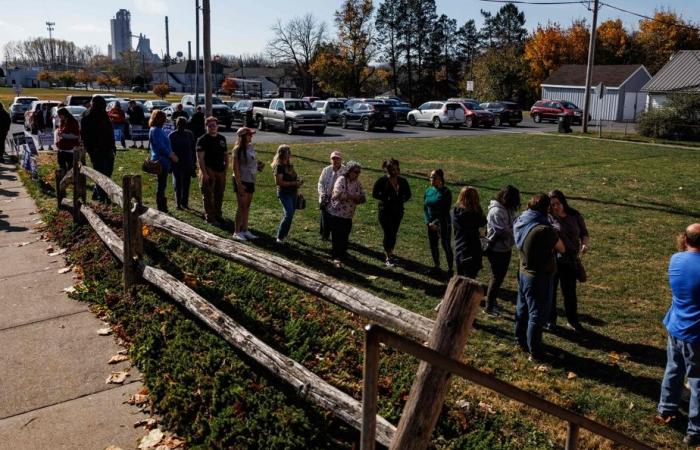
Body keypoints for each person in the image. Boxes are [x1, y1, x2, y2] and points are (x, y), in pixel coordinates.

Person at [657, 223, 700, 446]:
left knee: (673, 368)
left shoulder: (676, 259)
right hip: (695, 334)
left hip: (675, 326)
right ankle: (695, 429)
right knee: (698, 381)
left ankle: (666, 408)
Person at [513, 193, 565, 362]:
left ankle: (519, 339)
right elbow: (561, 248)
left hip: (523, 271)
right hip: (539, 277)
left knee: (522, 309)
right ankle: (535, 351)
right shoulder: (544, 229)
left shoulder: (522, 219)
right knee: (537, 315)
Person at [545, 190, 589, 331]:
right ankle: (550, 320)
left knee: (569, 292)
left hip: (570, 260)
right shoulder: (548, 218)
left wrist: (584, 244)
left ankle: (573, 320)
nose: (556, 207)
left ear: (563, 202)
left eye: (558, 203)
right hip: (553, 260)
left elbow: (584, 232)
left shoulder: (574, 215)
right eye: (552, 205)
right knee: (551, 292)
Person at [484, 185, 521, 316]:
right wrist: (515, 229)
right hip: (497, 250)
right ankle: (489, 306)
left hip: (505, 248)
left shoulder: (507, 208)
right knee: (496, 278)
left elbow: (514, 221)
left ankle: (491, 301)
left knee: (499, 277)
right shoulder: (496, 211)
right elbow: (503, 231)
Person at [372, 158, 412, 267]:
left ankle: (391, 252)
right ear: (387, 169)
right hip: (385, 211)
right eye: (391, 169)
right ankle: (388, 256)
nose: (394, 171)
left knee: (393, 233)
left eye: (396, 168)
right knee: (388, 232)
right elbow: (375, 193)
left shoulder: (402, 181)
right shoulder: (382, 181)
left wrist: (401, 200)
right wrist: (386, 198)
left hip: (398, 211)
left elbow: (408, 194)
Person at [327, 161, 366, 268]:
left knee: (345, 236)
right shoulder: (341, 180)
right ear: (349, 171)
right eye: (355, 172)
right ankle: (336, 257)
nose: (357, 174)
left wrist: (352, 196)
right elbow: (339, 195)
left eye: (359, 172)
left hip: (348, 215)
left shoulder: (357, 183)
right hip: (337, 214)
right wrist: (355, 197)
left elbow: (363, 198)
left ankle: (342, 255)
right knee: (337, 237)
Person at [80, 96, 116, 202]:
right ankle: (102, 196)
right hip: (96, 149)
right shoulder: (87, 115)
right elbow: (84, 135)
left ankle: (97, 192)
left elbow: (109, 131)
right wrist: (90, 149)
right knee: (100, 172)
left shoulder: (103, 114)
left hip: (107, 147)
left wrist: (113, 146)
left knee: (108, 172)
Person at [232, 127, 263, 241]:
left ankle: (245, 229)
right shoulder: (237, 150)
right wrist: (239, 185)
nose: (251, 136)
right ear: (243, 136)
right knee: (241, 206)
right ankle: (236, 231)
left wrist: (258, 166)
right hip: (241, 180)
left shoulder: (250, 147)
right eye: (249, 135)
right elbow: (235, 169)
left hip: (250, 180)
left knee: (247, 206)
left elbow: (251, 162)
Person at [196, 116, 228, 225]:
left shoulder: (222, 138)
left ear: (217, 126)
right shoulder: (202, 140)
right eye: (210, 126)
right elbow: (200, 158)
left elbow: (225, 154)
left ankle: (218, 215)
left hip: (220, 171)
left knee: (219, 194)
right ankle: (210, 217)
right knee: (208, 195)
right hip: (208, 170)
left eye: (214, 125)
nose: (212, 127)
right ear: (206, 127)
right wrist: (204, 173)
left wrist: (226, 168)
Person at [424, 169, 453, 278]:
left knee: (445, 245)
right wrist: (428, 222)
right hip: (430, 224)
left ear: (440, 178)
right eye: (431, 177)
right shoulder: (428, 191)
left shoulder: (446, 192)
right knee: (433, 245)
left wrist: (436, 223)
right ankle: (437, 267)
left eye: (434, 177)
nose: (431, 179)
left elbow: (445, 210)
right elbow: (425, 207)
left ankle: (450, 269)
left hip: (443, 223)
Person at [452, 186, 487, 278]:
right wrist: (478, 207)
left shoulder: (455, 211)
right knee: (470, 277)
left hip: (459, 246)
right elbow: (483, 222)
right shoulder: (473, 214)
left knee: (460, 275)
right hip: (471, 249)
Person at [149, 110, 179, 212]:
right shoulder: (156, 130)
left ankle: (162, 204)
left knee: (163, 183)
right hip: (161, 160)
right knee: (161, 183)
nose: (165, 120)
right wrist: (171, 155)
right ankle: (161, 206)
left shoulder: (157, 129)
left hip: (163, 159)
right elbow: (161, 146)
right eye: (163, 118)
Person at [271, 145, 303, 244]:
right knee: (288, 214)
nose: (289, 153)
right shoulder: (279, 166)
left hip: (293, 193)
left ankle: (285, 234)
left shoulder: (289, 165)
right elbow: (279, 182)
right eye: (287, 151)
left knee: (291, 214)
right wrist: (294, 183)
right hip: (284, 194)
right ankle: (279, 237)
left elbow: (293, 177)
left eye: (289, 151)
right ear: (282, 153)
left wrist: (298, 181)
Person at [168, 117, 196, 210]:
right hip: (176, 162)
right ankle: (178, 203)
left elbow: (193, 149)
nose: (181, 126)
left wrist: (194, 163)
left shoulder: (189, 134)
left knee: (186, 183)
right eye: (179, 124)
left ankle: (185, 202)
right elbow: (169, 150)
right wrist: (170, 164)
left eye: (183, 124)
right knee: (177, 182)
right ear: (176, 124)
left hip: (188, 161)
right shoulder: (172, 135)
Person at [317, 151, 344, 241]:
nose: (335, 160)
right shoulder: (326, 170)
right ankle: (324, 234)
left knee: (336, 217)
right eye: (333, 158)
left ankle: (336, 235)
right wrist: (322, 194)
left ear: (341, 160)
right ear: (330, 160)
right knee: (324, 216)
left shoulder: (345, 171)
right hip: (325, 196)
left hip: (338, 198)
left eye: (337, 158)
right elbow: (320, 183)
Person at [54, 107, 81, 173]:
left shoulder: (73, 122)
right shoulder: (62, 122)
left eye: (60, 116)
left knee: (71, 167)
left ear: (64, 114)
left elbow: (76, 135)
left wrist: (63, 135)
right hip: (61, 148)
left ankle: (71, 180)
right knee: (61, 166)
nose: (59, 117)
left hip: (70, 149)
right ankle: (63, 179)